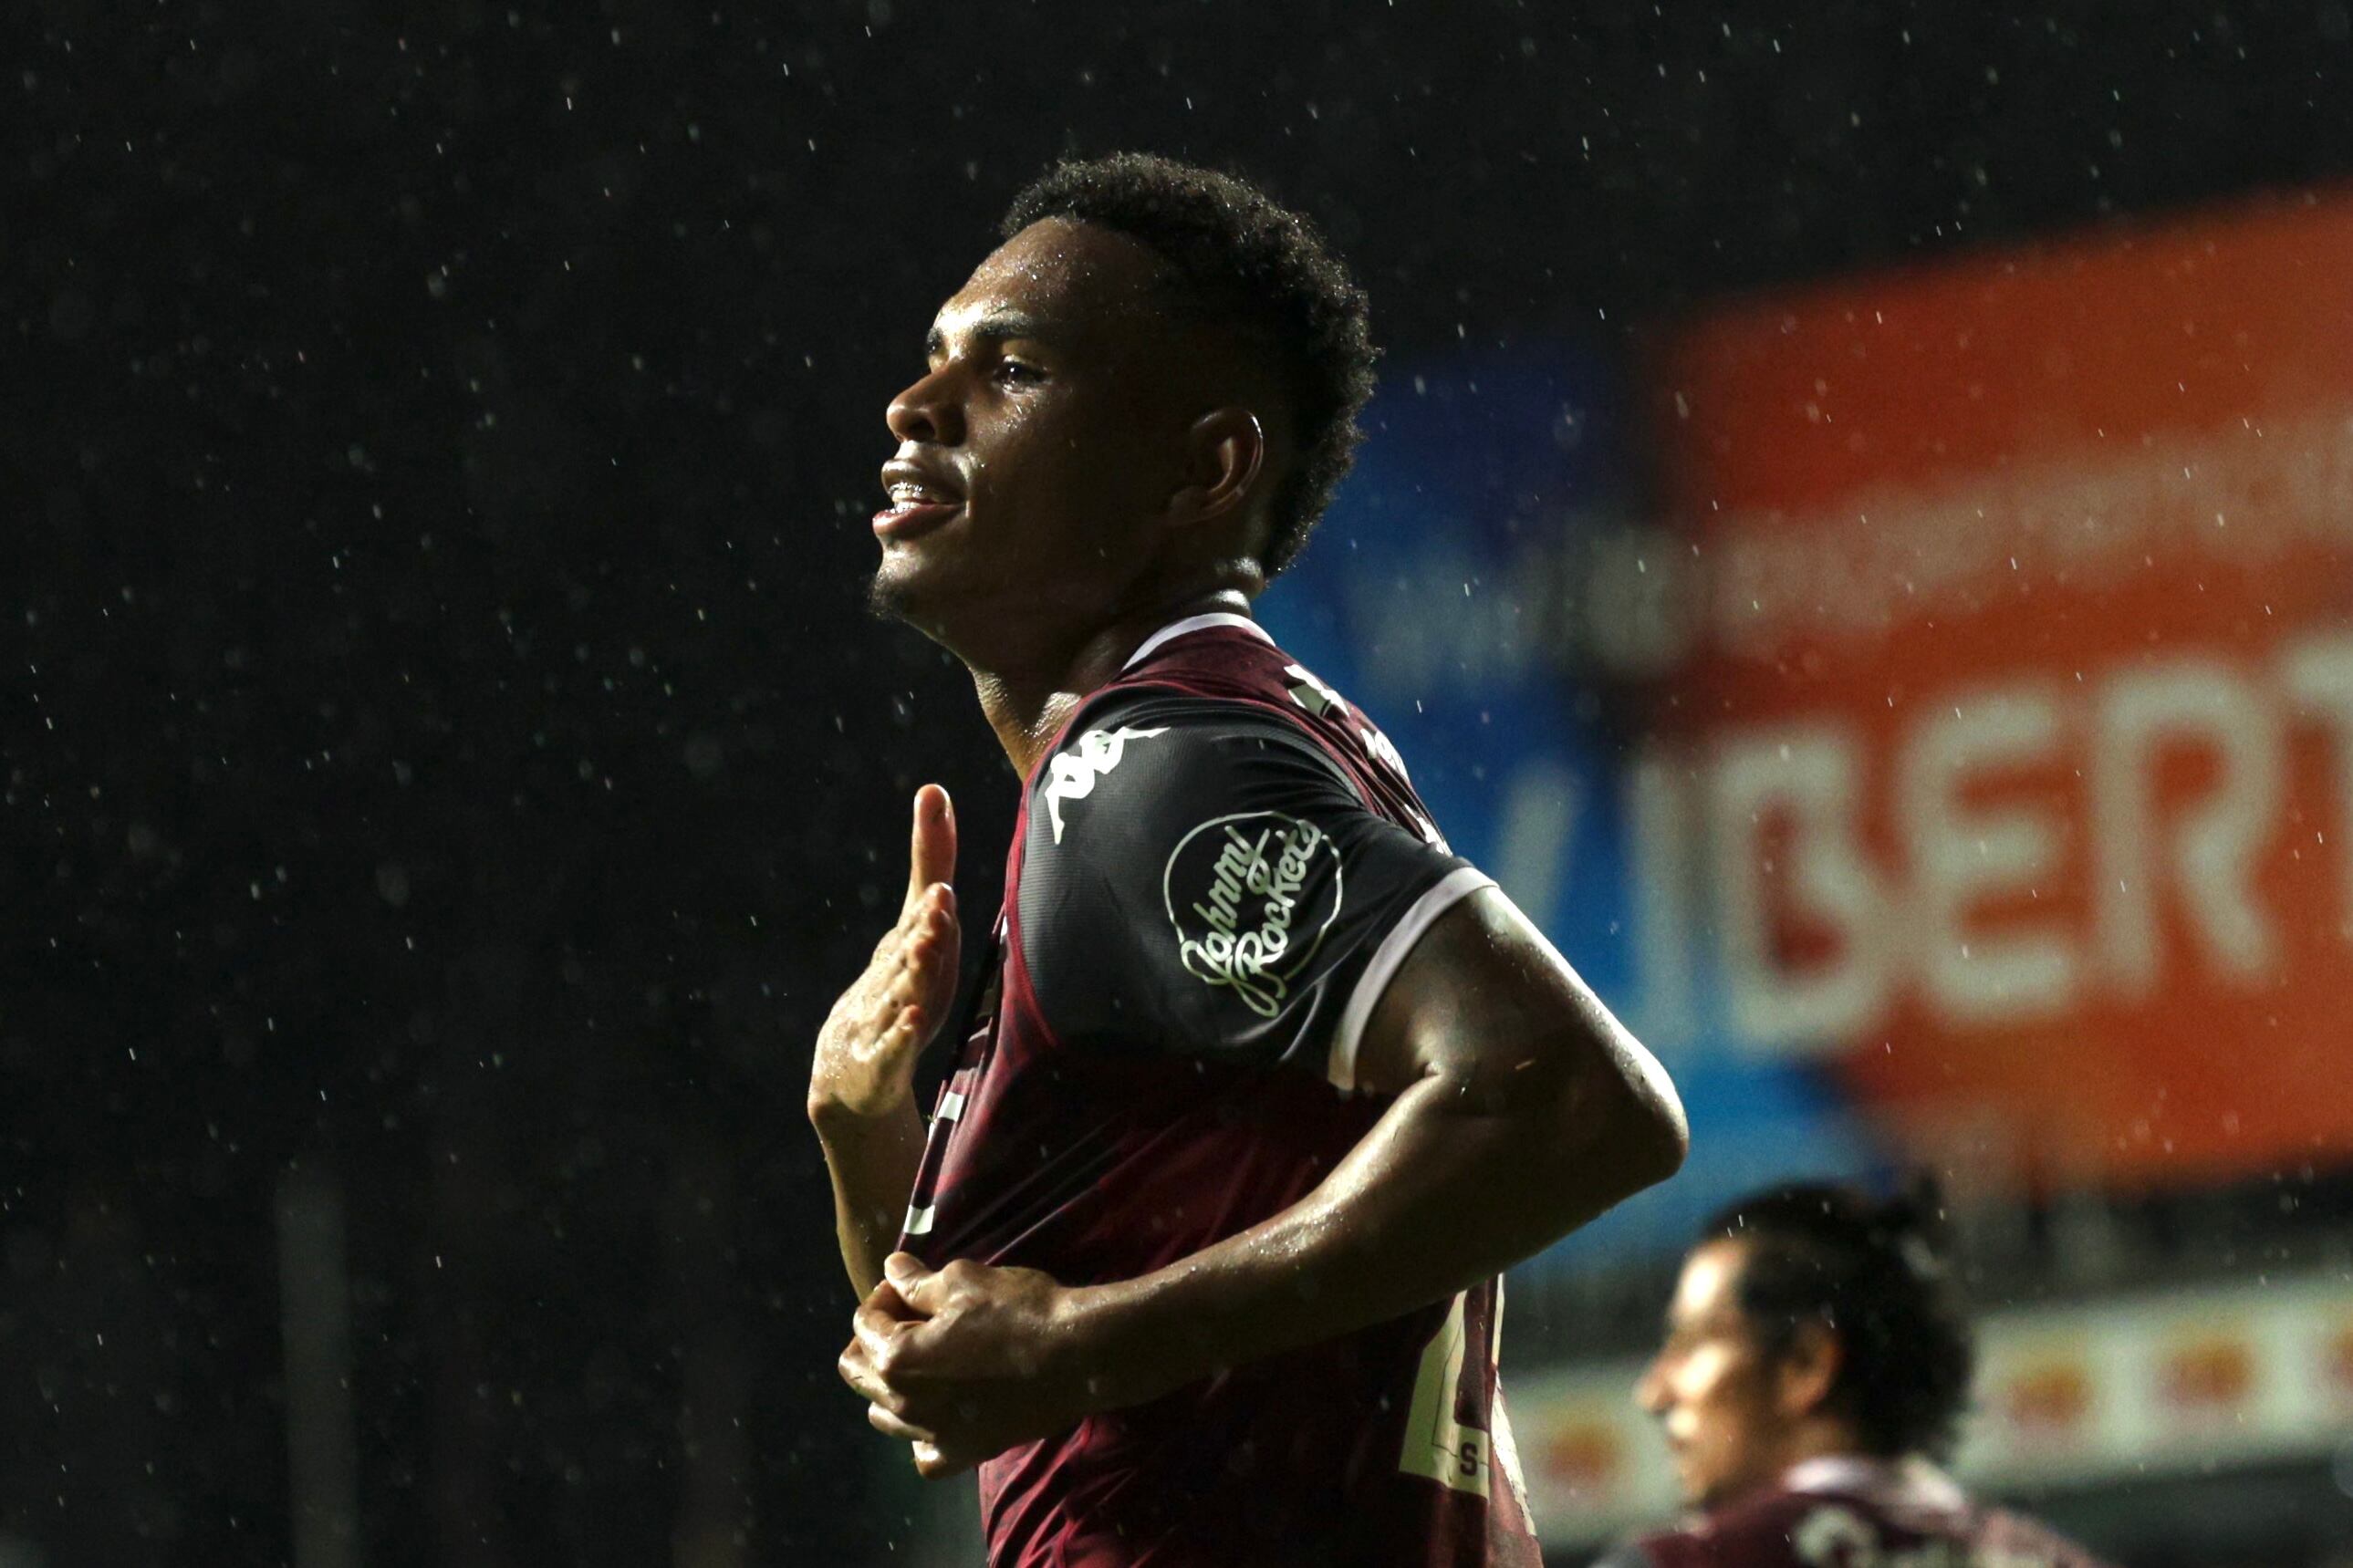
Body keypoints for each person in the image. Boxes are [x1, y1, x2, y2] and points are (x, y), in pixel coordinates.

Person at [810, 151, 1689, 1566]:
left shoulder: (1153, 767)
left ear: (1206, 468)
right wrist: (868, 1146)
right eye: (931, 361)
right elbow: (976, 1395)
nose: (918, 407)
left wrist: (1088, 1341)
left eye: (1011, 367)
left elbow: (1575, 1099)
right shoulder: (1202, 757)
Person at [1600, 1182, 2116, 1568]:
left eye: (1693, 1342)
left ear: (1806, 1365)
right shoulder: (2056, 1561)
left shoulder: (1690, 1563)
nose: (1654, 1392)